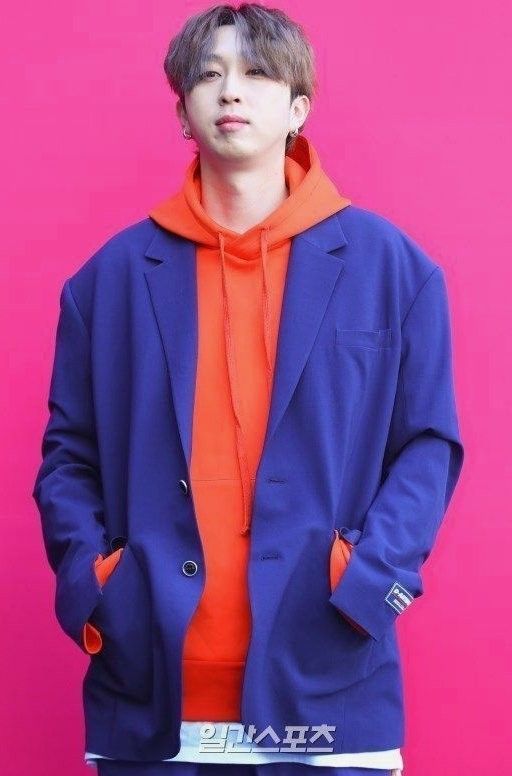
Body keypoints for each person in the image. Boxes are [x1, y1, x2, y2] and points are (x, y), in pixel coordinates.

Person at [32, 4, 464, 776]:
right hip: (152, 696)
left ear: (299, 109)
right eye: (209, 75)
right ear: (182, 114)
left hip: (332, 691)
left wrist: (371, 584)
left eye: (257, 73)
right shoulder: (108, 282)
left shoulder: (393, 269)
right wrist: (93, 588)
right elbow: (69, 457)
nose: (231, 90)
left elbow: (428, 446)